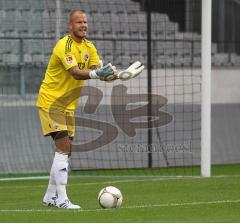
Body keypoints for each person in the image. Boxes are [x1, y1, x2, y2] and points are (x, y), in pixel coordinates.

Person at [36, 9, 118, 209]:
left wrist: (115, 75)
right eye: (79, 22)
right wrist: (99, 74)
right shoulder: (65, 45)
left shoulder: (89, 46)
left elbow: (98, 70)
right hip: (52, 101)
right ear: (70, 26)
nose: (83, 25)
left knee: (66, 151)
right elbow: (76, 73)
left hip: (68, 106)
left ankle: (49, 195)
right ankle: (62, 199)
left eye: (85, 22)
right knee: (63, 148)